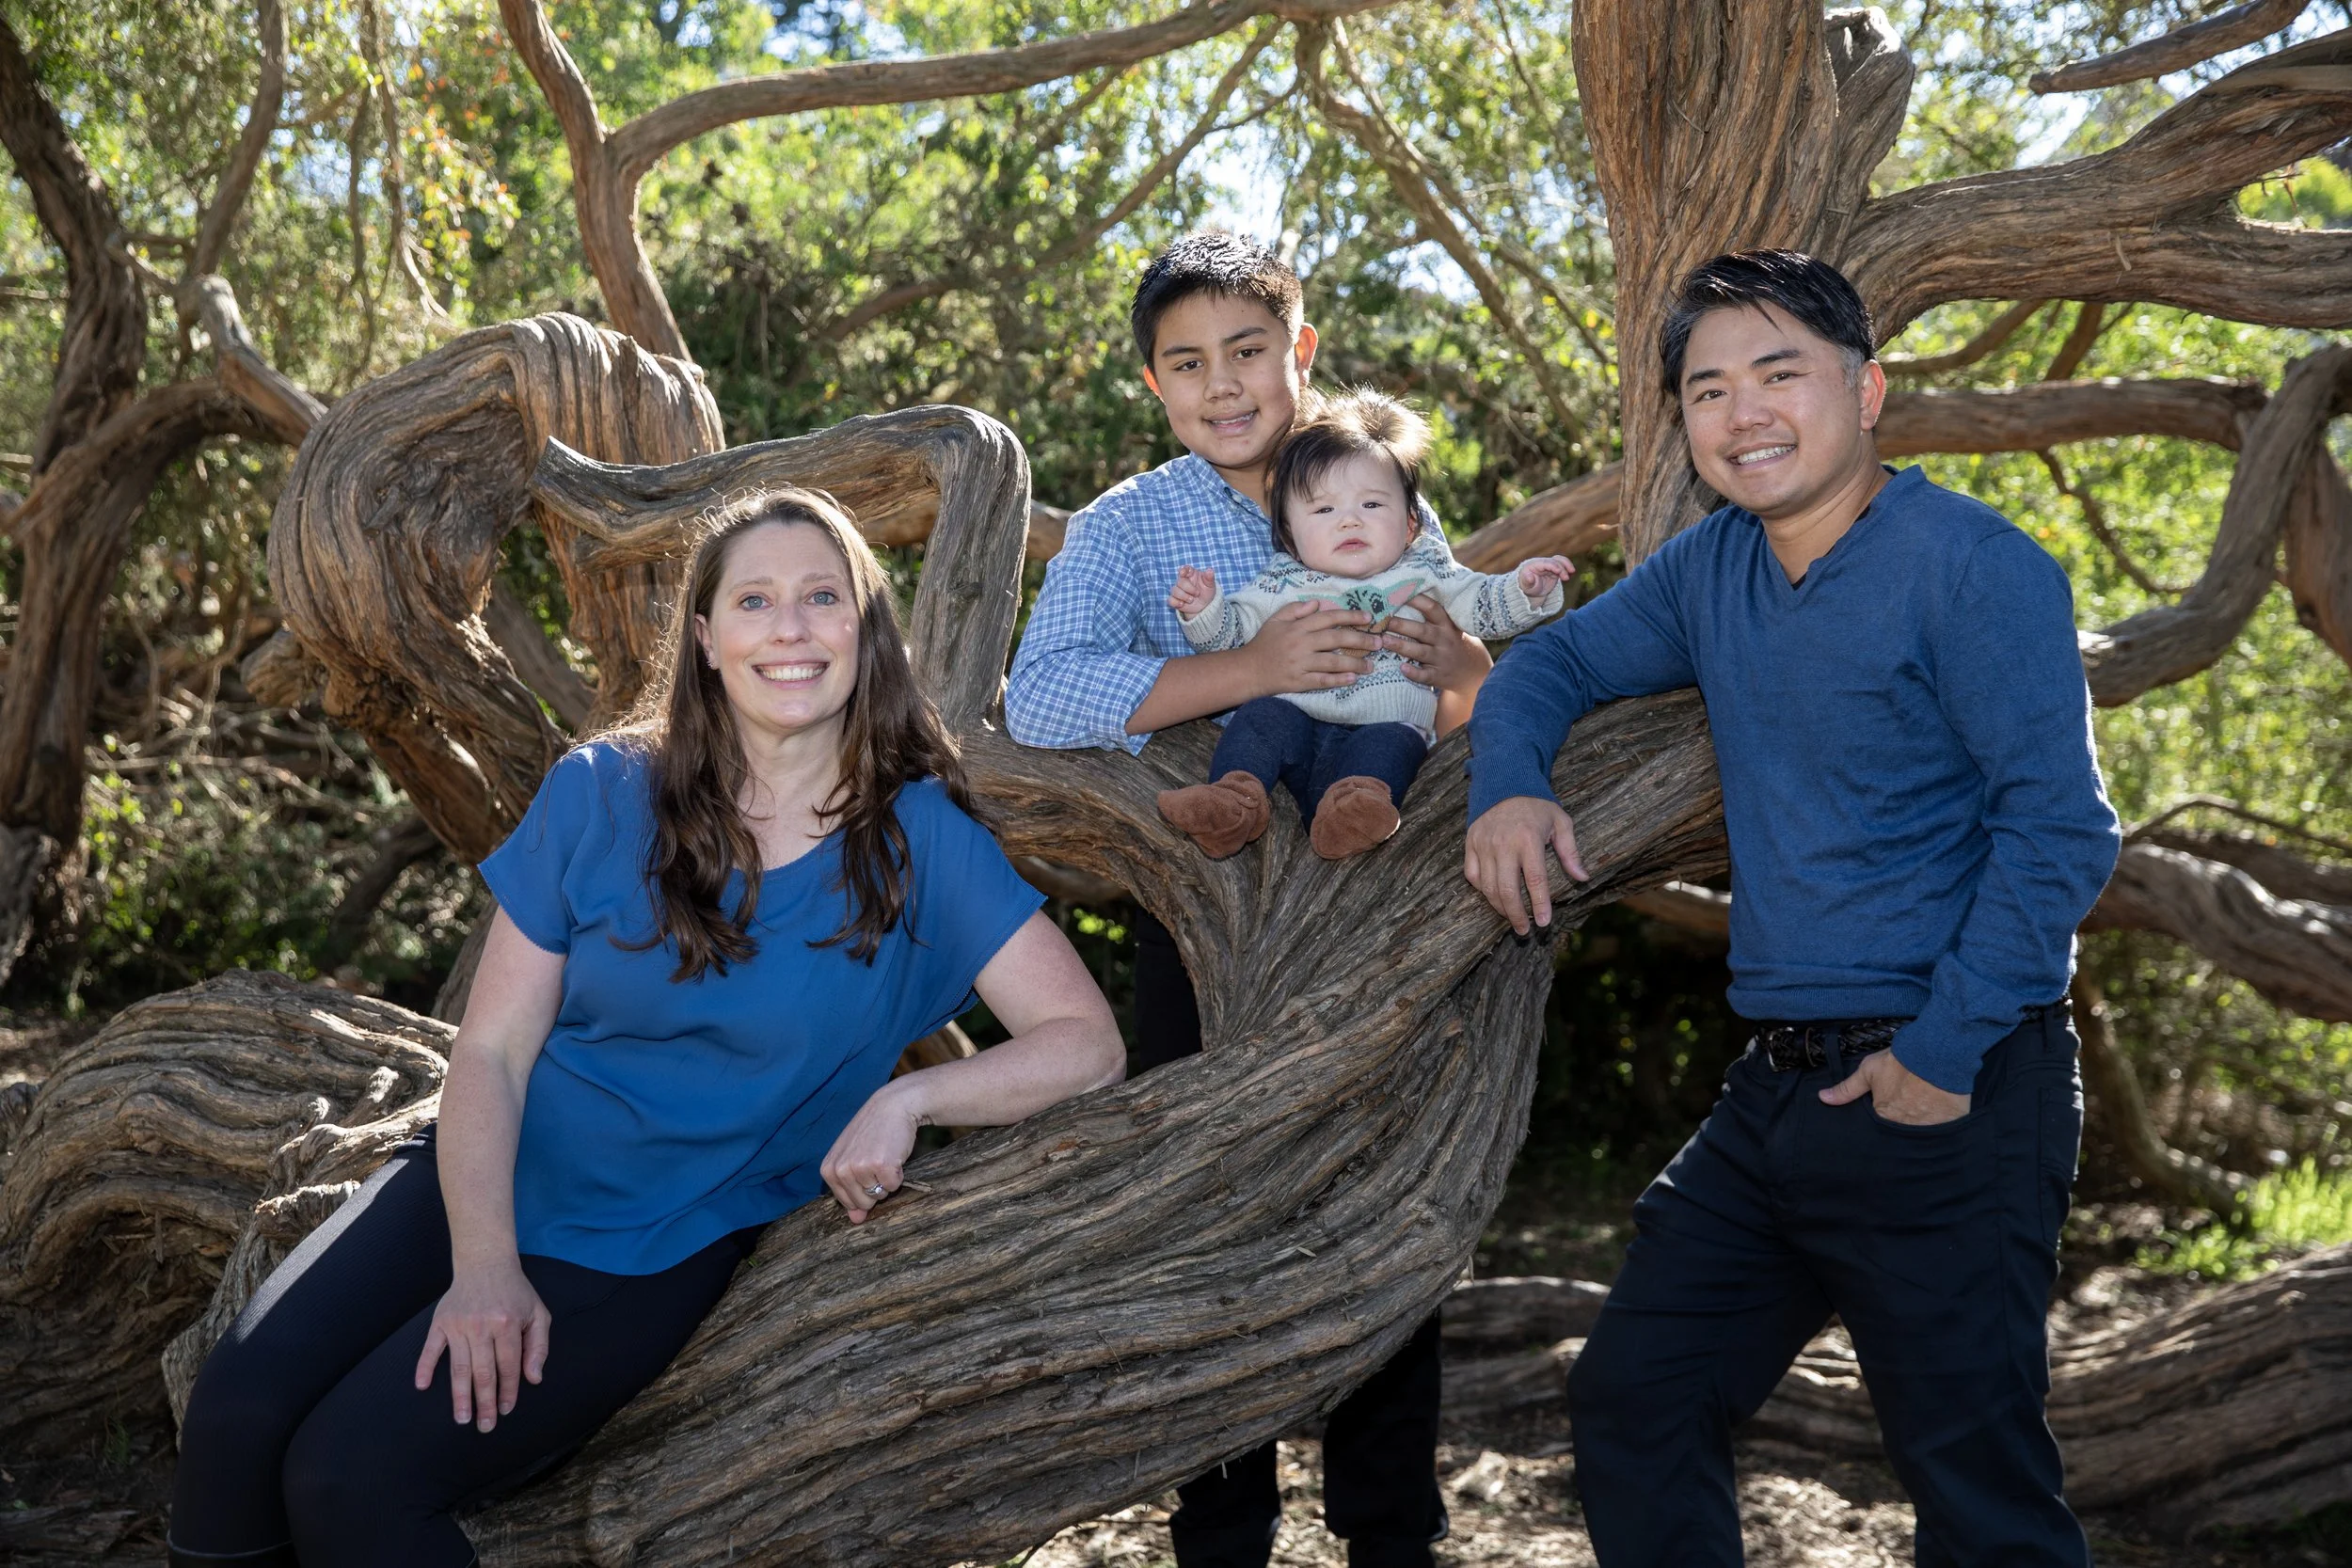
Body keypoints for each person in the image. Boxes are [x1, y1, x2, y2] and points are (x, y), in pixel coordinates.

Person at [167, 491, 1126, 1568]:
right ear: (708, 641)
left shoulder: (919, 843)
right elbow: (487, 1051)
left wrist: (910, 1097)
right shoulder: (604, 789)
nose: (792, 628)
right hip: (487, 1169)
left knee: (350, 1481)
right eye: (755, 601)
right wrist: (484, 1264)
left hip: (657, 1238)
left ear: (865, 628)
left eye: (822, 597)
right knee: (234, 1415)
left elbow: (1084, 1039)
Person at [1462, 250, 2121, 1568]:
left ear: (1867, 389)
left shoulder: (1977, 569)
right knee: (1636, 1393)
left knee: (1979, 1495)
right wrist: (1507, 790)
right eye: (1709, 389)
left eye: (1780, 373)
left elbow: (2059, 831)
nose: (1744, 413)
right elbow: (1553, 663)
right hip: (1774, 1094)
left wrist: (1938, 1057)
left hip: (1955, 1080)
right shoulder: (1713, 568)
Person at [1006, 231, 1469, 1568]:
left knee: (1376, 1193)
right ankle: (1222, 1530)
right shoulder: (1127, 525)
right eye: (1189, 363)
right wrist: (1245, 666)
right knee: (1207, 1210)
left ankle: (1391, 1532)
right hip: (1198, 921)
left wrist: (1458, 663)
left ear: (1299, 351)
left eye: (1250, 352)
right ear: (1153, 383)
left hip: (1361, 906)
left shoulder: (1375, 488)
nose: (1225, 385)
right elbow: (1036, 697)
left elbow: (1454, 680)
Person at [1159, 388, 1571, 861]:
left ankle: (1353, 813)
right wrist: (1203, 608)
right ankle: (1234, 799)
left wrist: (1525, 589)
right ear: (1291, 537)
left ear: (1412, 523)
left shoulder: (1427, 570)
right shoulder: (1283, 579)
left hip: (1382, 723)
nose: (1349, 522)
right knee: (1261, 719)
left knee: (1397, 743)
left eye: (1372, 506)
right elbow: (1230, 633)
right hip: (1300, 721)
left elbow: (1482, 605)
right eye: (1323, 509)